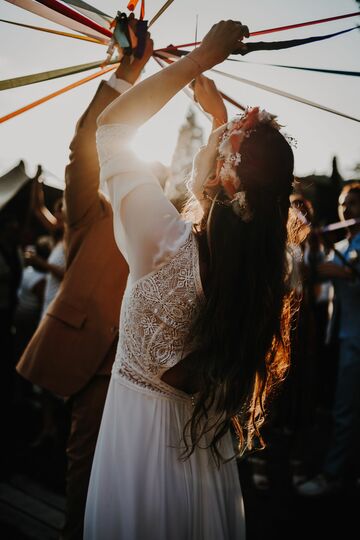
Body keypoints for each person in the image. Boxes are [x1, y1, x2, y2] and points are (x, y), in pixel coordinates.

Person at [84, 20, 295, 539]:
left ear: (219, 177)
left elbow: (110, 130)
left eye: (215, 146)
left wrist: (200, 58)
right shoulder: (265, 269)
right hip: (203, 468)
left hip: (140, 455)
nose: (208, 144)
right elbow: (218, 215)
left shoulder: (165, 248)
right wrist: (220, 120)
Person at [16, 40, 154, 539]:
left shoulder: (165, 231)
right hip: (92, 357)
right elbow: (83, 147)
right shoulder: (92, 213)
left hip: (145, 366)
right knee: (85, 465)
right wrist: (125, 76)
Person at [297, 182, 360, 496]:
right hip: (343, 335)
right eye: (343, 204)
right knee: (343, 408)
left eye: (353, 204)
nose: (346, 210)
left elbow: (342, 274)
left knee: (345, 411)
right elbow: (319, 270)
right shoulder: (347, 243)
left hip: (356, 338)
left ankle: (333, 474)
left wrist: (339, 272)